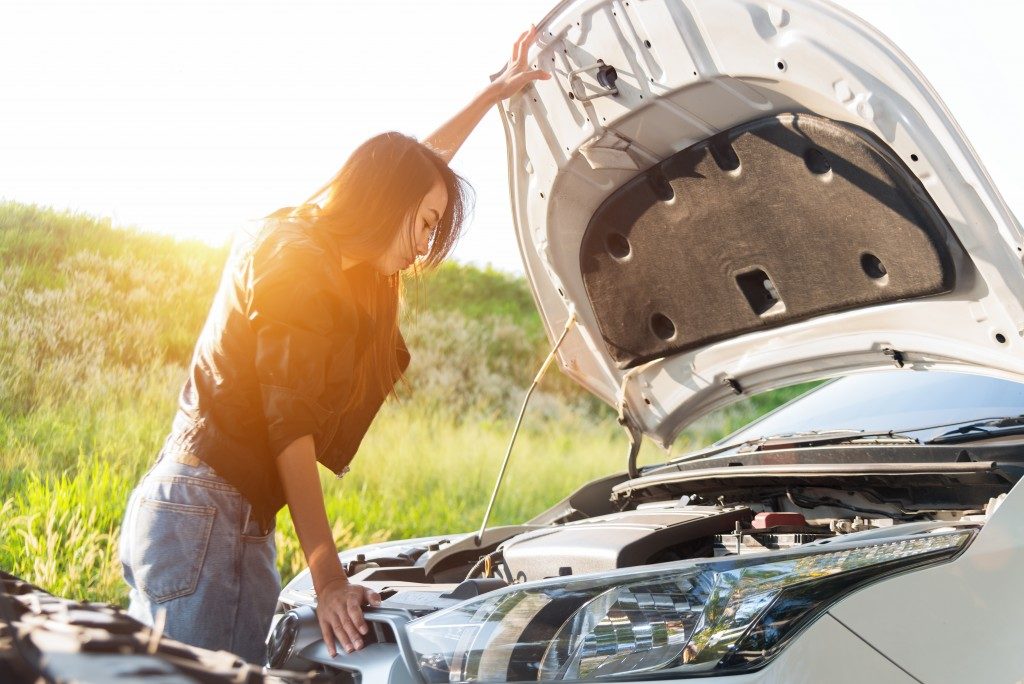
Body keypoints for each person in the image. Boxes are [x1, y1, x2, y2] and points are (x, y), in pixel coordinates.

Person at [117, 27, 549, 664]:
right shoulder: (297, 262)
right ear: (387, 201)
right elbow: (288, 423)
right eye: (427, 224)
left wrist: (491, 96)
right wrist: (327, 578)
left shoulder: (319, 243)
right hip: (210, 516)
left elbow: (415, 164)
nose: (427, 246)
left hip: (208, 514)